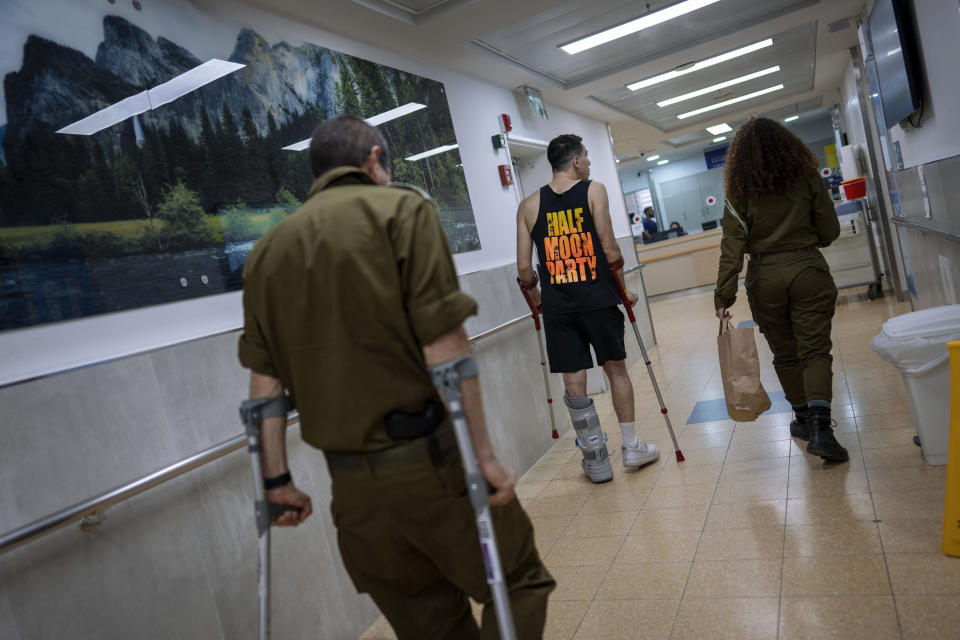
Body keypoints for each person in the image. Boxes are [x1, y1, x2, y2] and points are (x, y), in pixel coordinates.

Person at [238, 115, 555, 638]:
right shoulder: (402, 210)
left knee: (431, 624)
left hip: (354, 495)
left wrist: (276, 483)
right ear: (374, 160)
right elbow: (445, 349)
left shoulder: (267, 253)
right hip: (432, 468)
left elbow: (264, 387)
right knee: (518, 579)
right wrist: (483, 459)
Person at [516, 133, 660, 484]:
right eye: (588, 156)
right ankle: (630, 447)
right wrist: (624, 292)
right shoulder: (594, 191)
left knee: (574, 380)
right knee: (617, 371)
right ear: (576, 161)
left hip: (559, 309)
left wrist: (538, 299)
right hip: (598, 300)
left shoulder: (528, 205)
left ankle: (596, 460)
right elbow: (610, 249)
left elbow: (523, 269)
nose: (590, 162)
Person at [715, 117, 848, 462]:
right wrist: (803, 242)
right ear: (788, 146)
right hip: (807, 270)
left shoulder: (738, 192)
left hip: (765, 277)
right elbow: (830, 230)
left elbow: (732, 246)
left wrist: (723, 295)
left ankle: (803, 420)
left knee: (786, 353)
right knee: (815, 351)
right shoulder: (806, 177)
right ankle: (822, 430)